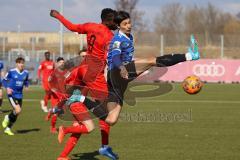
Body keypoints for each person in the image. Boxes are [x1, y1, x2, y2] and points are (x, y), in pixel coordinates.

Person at [67, 10, 200, 126]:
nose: (129, 26)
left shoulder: (128, 36)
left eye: (129, 22)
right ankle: (190, 55)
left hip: (115, 82)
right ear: (118, 26)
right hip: (118, 72)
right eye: (125, 24)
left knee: (110, 120)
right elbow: (115, 57)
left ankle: (80, 98)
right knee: (151, 60)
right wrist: (122, 68)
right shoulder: (117, 40)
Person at [50, 8, 118, 160]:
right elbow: (111, 58)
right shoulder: (109, 36)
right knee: (108, 112)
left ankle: (63, 156)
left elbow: (72, 27)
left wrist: (58, 16)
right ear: (107, 20)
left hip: (84, 69)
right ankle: (104, 146)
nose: (116, 24)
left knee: (81, 125)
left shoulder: (90, 26)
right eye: (115, 21)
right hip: (94, 73)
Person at [1, 57, 29, 136]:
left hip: (20, 95)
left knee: (17, 113)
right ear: (17, 64)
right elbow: (4, 80)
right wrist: (8, 88)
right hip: (12, 95)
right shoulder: (12, 72)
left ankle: (8, 128)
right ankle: (7, 117)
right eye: (20, 63)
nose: (21, 64)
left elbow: (26, 81)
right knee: (18, 110)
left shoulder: (26, 73)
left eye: (23, 63)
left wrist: (26, 86)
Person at [45, 57, 65, 133]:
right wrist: (52, 89)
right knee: (57, 113)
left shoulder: (65, 72)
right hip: (55, 95)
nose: (62, 64)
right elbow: (49, 81)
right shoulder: (54, 73)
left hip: (62, 94)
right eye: (60, 62)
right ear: (57, 64)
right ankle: (52, 128)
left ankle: (50, 111)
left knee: (59, 110)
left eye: (63, 62)